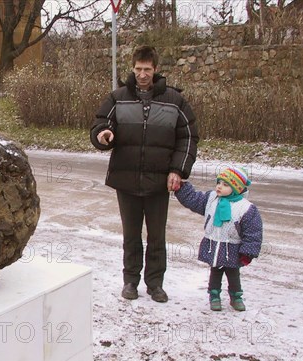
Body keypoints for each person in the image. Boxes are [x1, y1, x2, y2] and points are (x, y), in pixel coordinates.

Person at [90, 45, 199, 303]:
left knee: (157, 236)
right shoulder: (117, 97)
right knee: (131, 235)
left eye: (147, 69)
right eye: (138, 69)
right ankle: (130, 281)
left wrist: (178, 170)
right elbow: (99, 124)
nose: (142, 74)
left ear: (156, 69)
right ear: (133, 68)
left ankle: (155, 284)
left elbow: (188, 136)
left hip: (159, 181)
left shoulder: (175, 101)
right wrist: (103, 135)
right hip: (126, 179)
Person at [174, 166, 263, 311]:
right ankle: (214, 296)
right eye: (219, 182)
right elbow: (194, 200)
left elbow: (253, 232)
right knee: (215, 272)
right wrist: (181, 189)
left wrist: (248, 252)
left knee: (233, 274)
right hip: (214, 245)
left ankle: (236, 297)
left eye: (225, 184)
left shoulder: (246, 208)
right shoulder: (211, 199)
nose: (219, 187)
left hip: (232, 248)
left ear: (237, 189)